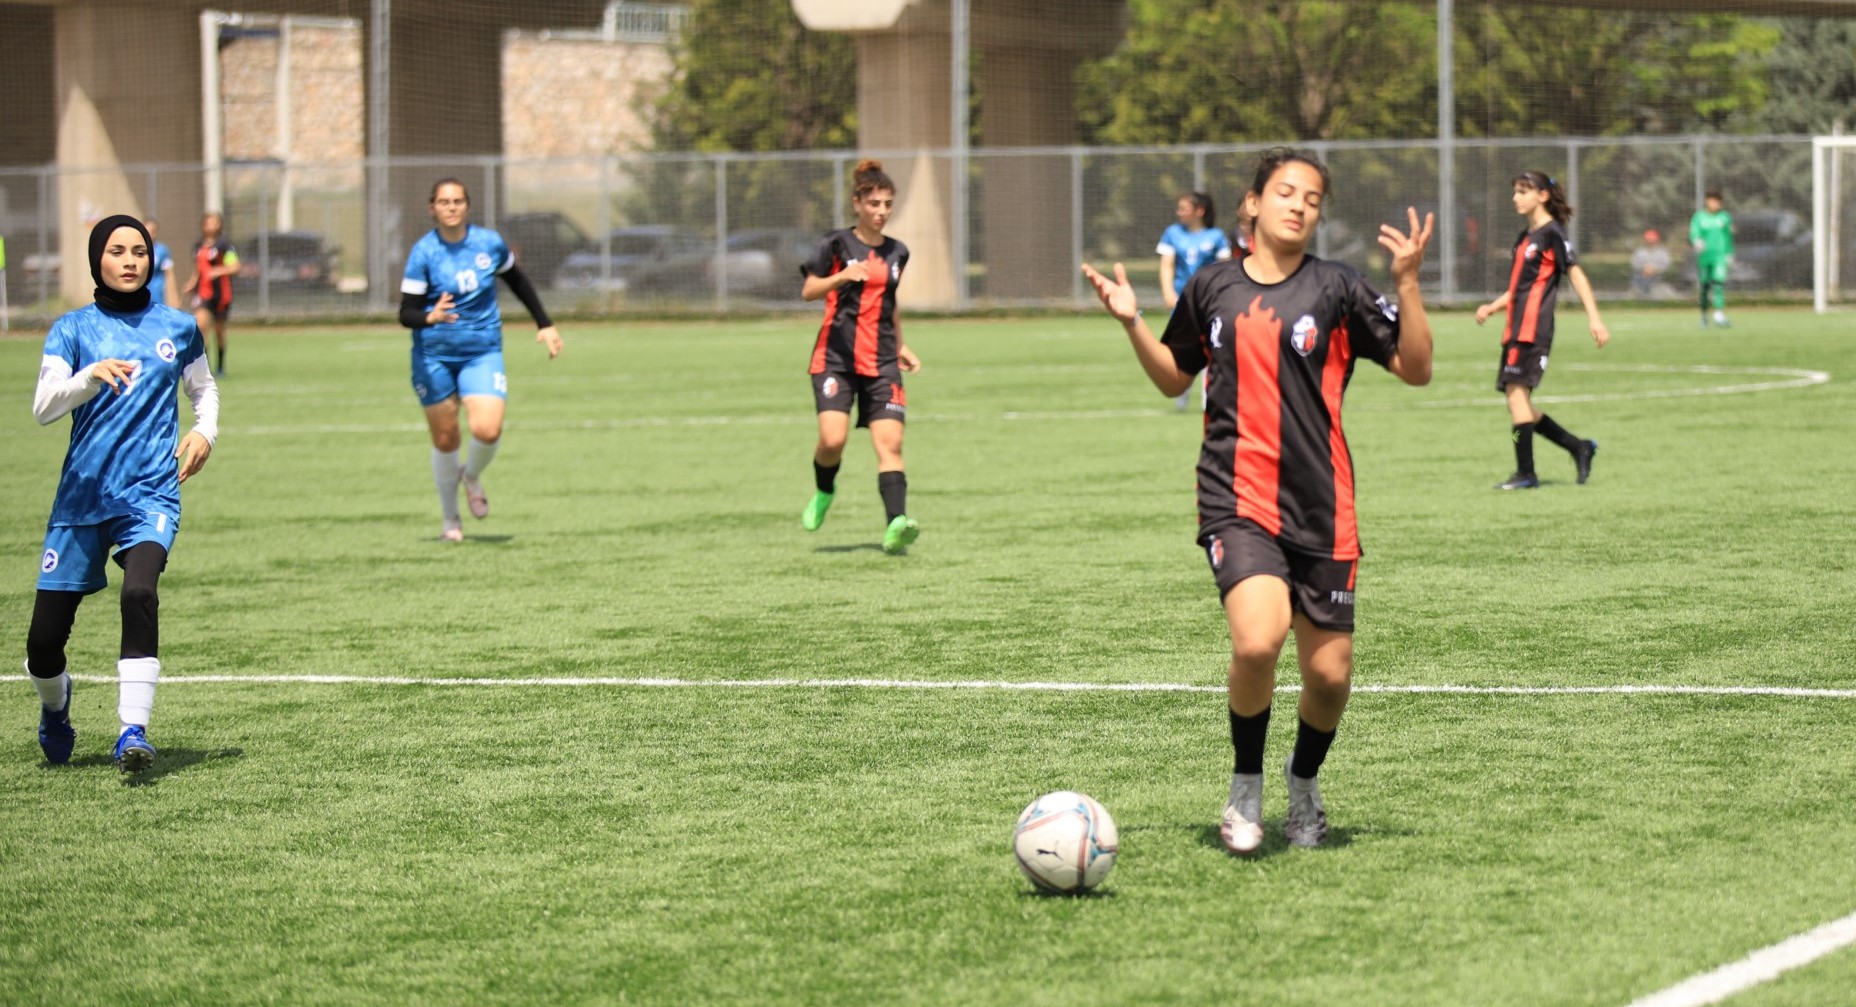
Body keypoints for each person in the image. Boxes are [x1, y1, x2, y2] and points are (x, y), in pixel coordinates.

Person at [1081, 148, 1435, 854]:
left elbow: (1418, 368)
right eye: (1285, 191)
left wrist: (1408, 283)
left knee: (1329, 676)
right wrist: (1131, 323)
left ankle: (1302, 783)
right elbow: (1171, 376)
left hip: (1324, 506)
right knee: (1256, 638)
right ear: (1251, 204)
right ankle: (1246, 786)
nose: (1299, 204)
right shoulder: (1212, 286)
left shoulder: (1337, 287)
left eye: (1311, 196)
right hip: (1234, 495)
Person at [26, 215, 220, 773]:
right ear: (98, 260)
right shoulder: (72, 329)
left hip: (150, 494)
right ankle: (56, 709)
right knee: (42, 647)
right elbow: (43, 407)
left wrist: (204, 430)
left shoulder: (179, 327)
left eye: (139, 250)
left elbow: (204, 389)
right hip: (81, 500)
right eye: (117, 250)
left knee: (139, 593)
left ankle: (133, 731)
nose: (131, 260)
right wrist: (89, 377)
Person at [399, 178, 563, 542]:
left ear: (467, 205)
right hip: (434, 356)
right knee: (445, 438)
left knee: (487, 430)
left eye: (458, 200)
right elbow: (406, 312)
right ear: (432, 208)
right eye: (444, 201)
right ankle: (450, 521)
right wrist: (429, 317)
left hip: (481, 351)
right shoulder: (424, 253)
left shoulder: (488, 243)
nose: (451, 207)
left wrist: (545, 324)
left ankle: (470, 475)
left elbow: (517, 281)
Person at [798, 159, 922, 555]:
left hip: (882, 362)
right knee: (831, 441)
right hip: (835, 359)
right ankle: (823, 490)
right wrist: (841, 277)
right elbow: (809, 290)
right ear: (857, 204)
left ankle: (896, 524)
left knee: (892, 444)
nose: (881, 212)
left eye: (887, 204)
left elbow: (891, 302)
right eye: (874, 204)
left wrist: (900, 344)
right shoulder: (835, 245)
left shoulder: (898, 252)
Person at [1474, 171, 1609, 490]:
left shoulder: (1552, 233)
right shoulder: (1524, 238)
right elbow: (1520, 287)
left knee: (1516, 398)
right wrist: (1493, 307)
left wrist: (1595, 318)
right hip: (1514, 330)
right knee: (1518, 402)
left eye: (1523, 191)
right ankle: (1578, 447)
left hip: (1534, 332)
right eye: (1515, 191)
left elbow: (1576, 274)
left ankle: (1526, 473)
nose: (1516, 197)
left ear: (1542, 196)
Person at [1157, 192, 1235, 410]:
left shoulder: (1216, 236)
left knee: (1211, 346)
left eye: (1184, 208)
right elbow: (1167, 265)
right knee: (1179, 347)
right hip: (1182, 301)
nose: (1180, 212)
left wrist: (1223, 296)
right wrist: (1168, 292)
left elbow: (1224, 269)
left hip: (1209, 301)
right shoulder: (1173, 233)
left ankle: (1207, 398)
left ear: (1199, 211)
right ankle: (1180, 396)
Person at [182, 211, 239, 377]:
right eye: (208, 222)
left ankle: (220, 366)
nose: (211, 225)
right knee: (201, 327)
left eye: (214, 222)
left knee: (219, 331)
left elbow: (235, 266)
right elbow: (198, 270)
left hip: (221, 294)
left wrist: (219, 270)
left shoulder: (225, 246)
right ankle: (202, 367)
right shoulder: (198, 246)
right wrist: (192, 283)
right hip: (203, 293)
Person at [1690, 189, 1734, 327]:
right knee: (1704, 286)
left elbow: (1728, 237)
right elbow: (1694, 232)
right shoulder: (1699, 217)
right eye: (1712, 200)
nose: (1715, 203)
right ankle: (1704, 316)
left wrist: (1729, 253)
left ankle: (1719, 315)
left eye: (1718, 201)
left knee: (1718, 283)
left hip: (1719, 256)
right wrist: (1696, 241)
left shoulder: (1724, 217)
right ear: (1707, 201)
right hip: (1705, 257)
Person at [143, 218, 180, 310]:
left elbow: (169, 274)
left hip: (157, 294)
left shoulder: (162, 250)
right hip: (141, 294)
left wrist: (173, 297)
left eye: (151, 231)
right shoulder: (138, 250)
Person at [1629, 229, 1670, 299]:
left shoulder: (1663, 253)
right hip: (1640, 279)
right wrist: (1644, 269)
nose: (1650, 242)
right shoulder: (1639, 252)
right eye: (1649, 240)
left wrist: (1655, 269)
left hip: (1657, 280)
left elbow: (1666, 264)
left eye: (1652, 240)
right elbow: (1634, 263)